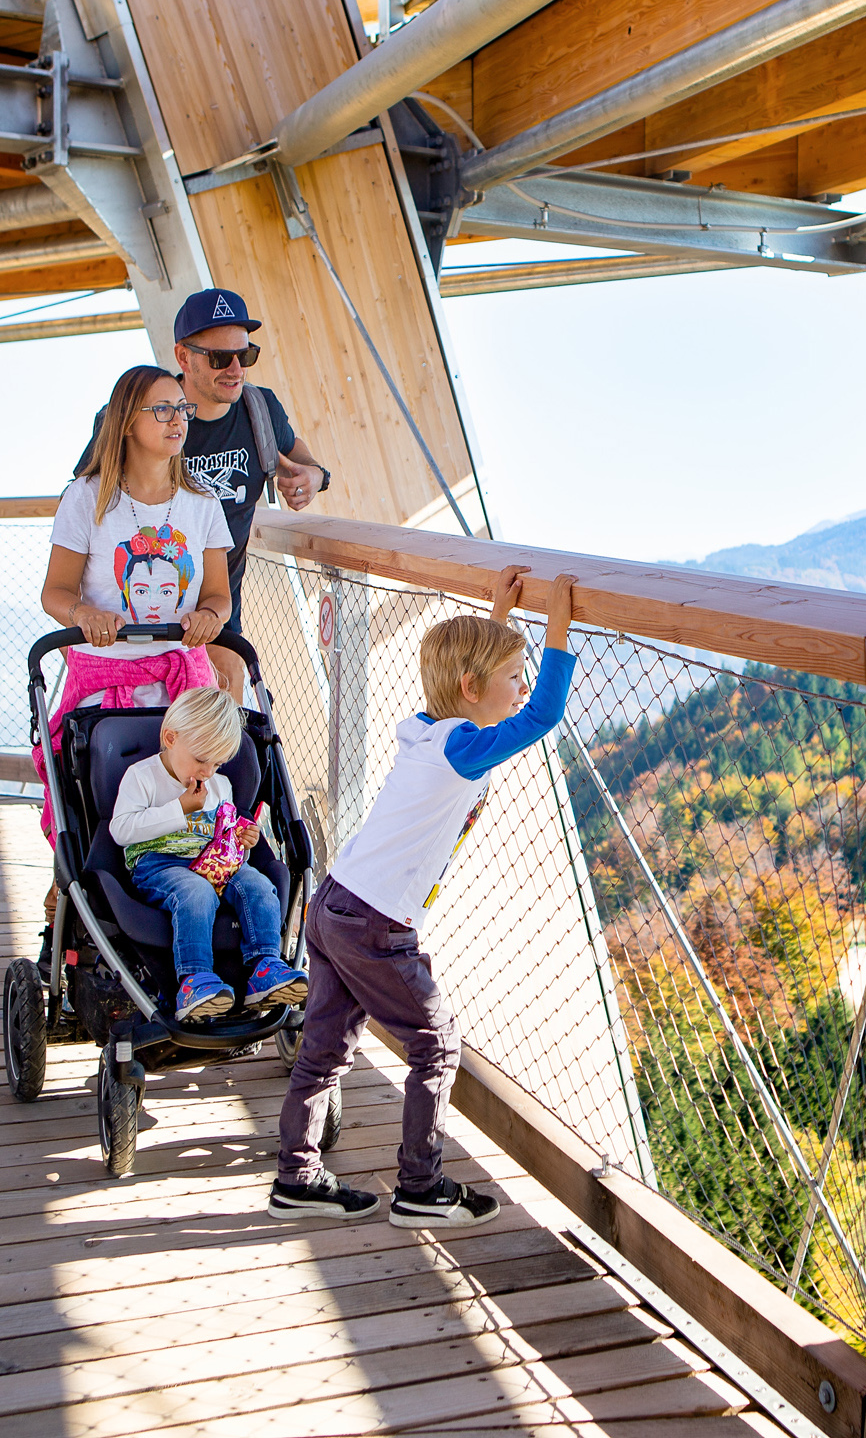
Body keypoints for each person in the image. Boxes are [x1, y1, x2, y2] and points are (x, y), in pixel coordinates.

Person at [266, 565, 579, 1225]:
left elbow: (477, 674)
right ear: (471, 688)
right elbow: (546, 713)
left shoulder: (427, 729)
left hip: (335, 903)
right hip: (376, 922)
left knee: (323, 1048)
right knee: (435, 1045)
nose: (521, 689)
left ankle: (296, 1174)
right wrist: (558, 617)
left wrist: (497, 608)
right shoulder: (464, 748)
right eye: (512, 678)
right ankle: (420, 1184)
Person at [74, 288, 334, 700]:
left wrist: (315, 475)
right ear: (183, 357)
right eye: (219, 359)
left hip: (214, 619)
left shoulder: (259, 410)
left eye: (244, 355)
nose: (235, 368)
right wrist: (82, 613)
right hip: (128, 630)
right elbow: (86, 502)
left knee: (219, 748)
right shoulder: (135, 421)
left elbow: (294, 449)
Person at [36, 364, 232, 846]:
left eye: (182, 409)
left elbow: (219, 597)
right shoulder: (86, 499)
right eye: (162, 409)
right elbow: (55, 593)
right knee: (92, 784)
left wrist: (209, 618)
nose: (178, 420)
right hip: (109, 675)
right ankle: (79, 865)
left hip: (181, 677)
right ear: (126, 422)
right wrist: (84, 615)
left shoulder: (202, 502)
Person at [109, 686, 308, 1021]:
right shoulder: (142, 778)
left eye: (216, 764)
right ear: (171, 738)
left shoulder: (219, 785)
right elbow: (121, 830)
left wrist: (242, 839)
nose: (207, 772)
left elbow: (224, 831)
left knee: (260, 886)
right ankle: (194, 979)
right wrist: (180, 808)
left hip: (215, 861)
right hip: (159, 864)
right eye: (201, 760)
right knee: (195, 891)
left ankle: (266, 966)